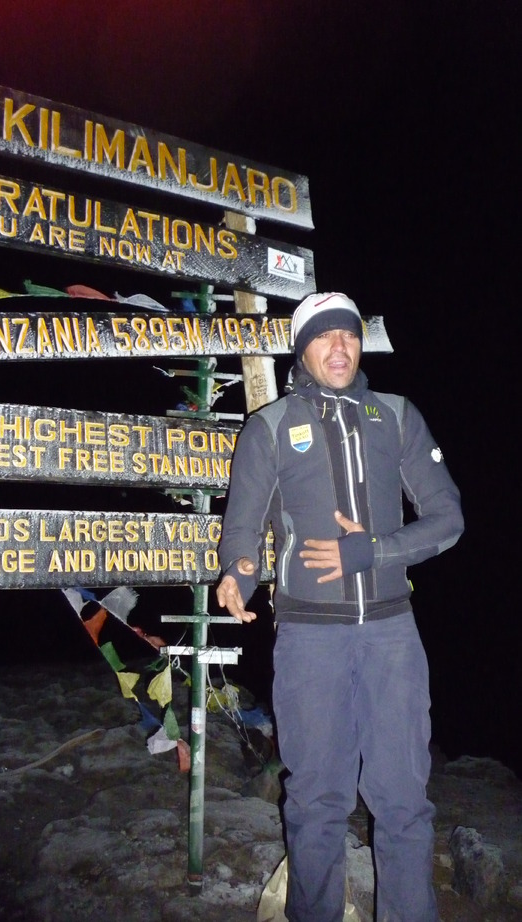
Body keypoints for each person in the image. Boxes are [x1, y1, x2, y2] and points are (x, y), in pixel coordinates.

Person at [216, 292, 463, 922]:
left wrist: (374, 552)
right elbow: (242, 530)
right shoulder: (270, 426)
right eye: (324, 337)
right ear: (303, 350)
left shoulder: (397, 416)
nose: (339, 347)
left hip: (392, 638)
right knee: (317, 802)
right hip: (309, 639)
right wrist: (239, 575)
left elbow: (448, 518)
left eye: (348, 336)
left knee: (404, 800)